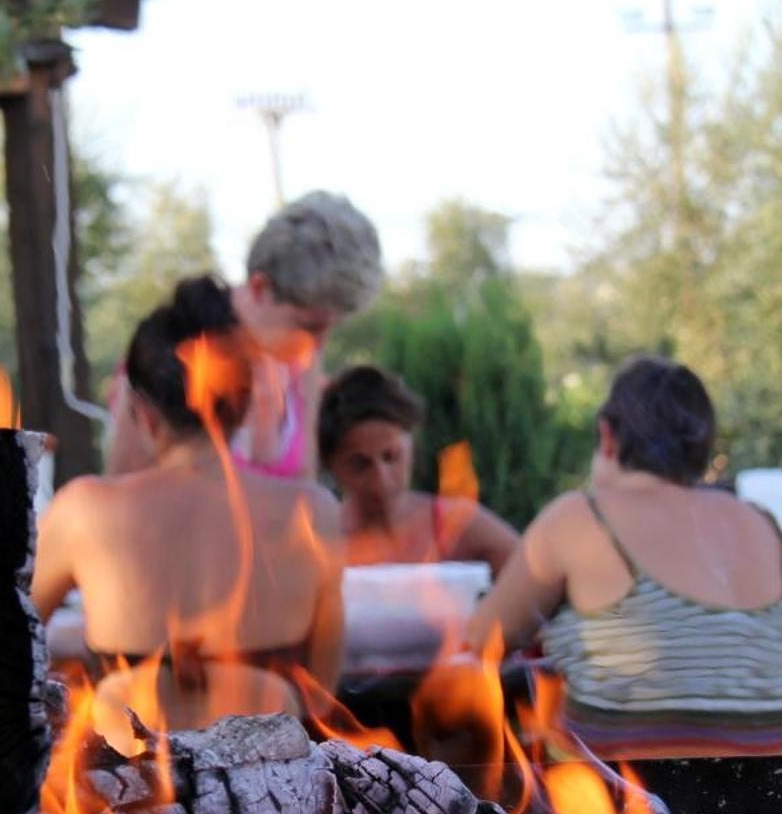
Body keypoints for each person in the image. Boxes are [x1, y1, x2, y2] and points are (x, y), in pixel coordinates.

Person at [464, 356, 782, 759]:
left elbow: (481, 639)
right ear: (704, 448)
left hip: (629, 808)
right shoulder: (771, 531)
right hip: (778, 796)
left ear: (607, 437)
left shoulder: (579, 517)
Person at [33, 276, 345, 727]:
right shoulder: (315, 512)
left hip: (128, 792)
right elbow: (322, 698)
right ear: (241, 405)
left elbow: (3, 645)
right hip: (275, 788)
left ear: (141, 411)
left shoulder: (84, 510)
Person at [104, 191, 383, 480]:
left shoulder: (303, 361)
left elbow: (304, 481)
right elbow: (122, 492)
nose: (318, 345)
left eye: (331, 328)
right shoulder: (173, 350)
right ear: (260, 287)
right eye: (309, 325)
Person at [316, 364, 519, 577]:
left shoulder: (453, 526)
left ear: (411, 444)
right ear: (331, 465)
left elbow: (539, 578)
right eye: (360, 465)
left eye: (392, 457)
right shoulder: (319, 545)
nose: (381, 478)